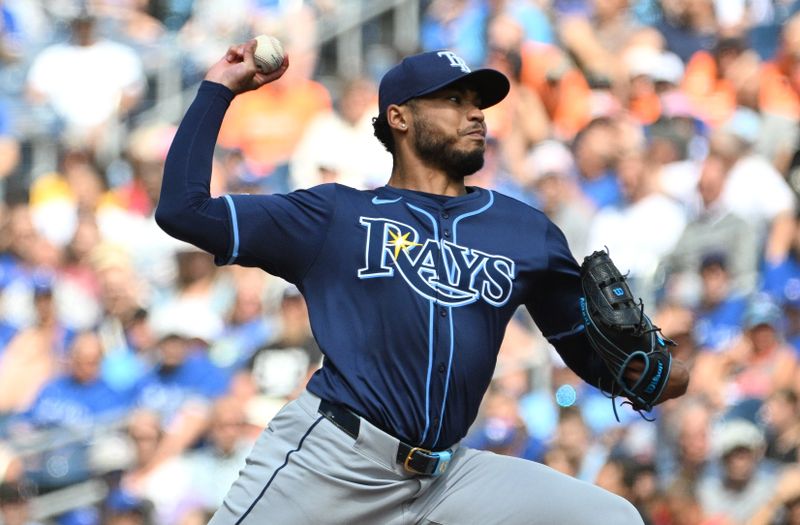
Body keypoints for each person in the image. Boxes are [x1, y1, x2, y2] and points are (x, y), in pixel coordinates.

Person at [155, 41, 690, 524]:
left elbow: (588, 350)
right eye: (454, 100)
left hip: (445, 478)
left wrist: (647, 373)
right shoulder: (335, 216)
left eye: (477, 101)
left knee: (608, 518)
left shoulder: (525, 232)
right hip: (335, 461)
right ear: (400, 118)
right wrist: (217, 91)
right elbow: (184, 210)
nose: (475, 112)